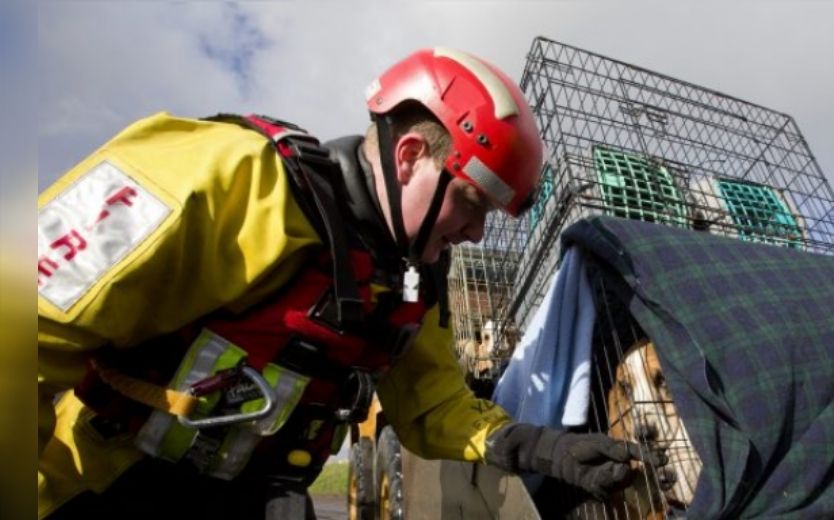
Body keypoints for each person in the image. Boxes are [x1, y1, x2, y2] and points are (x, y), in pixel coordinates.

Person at [37, 47, 665, 519]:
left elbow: (431, 405)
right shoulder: (224, 178)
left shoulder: (412, 282)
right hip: (93, 486)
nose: (476, 233)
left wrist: (539, 446)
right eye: (472, 202)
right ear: (410, 156)